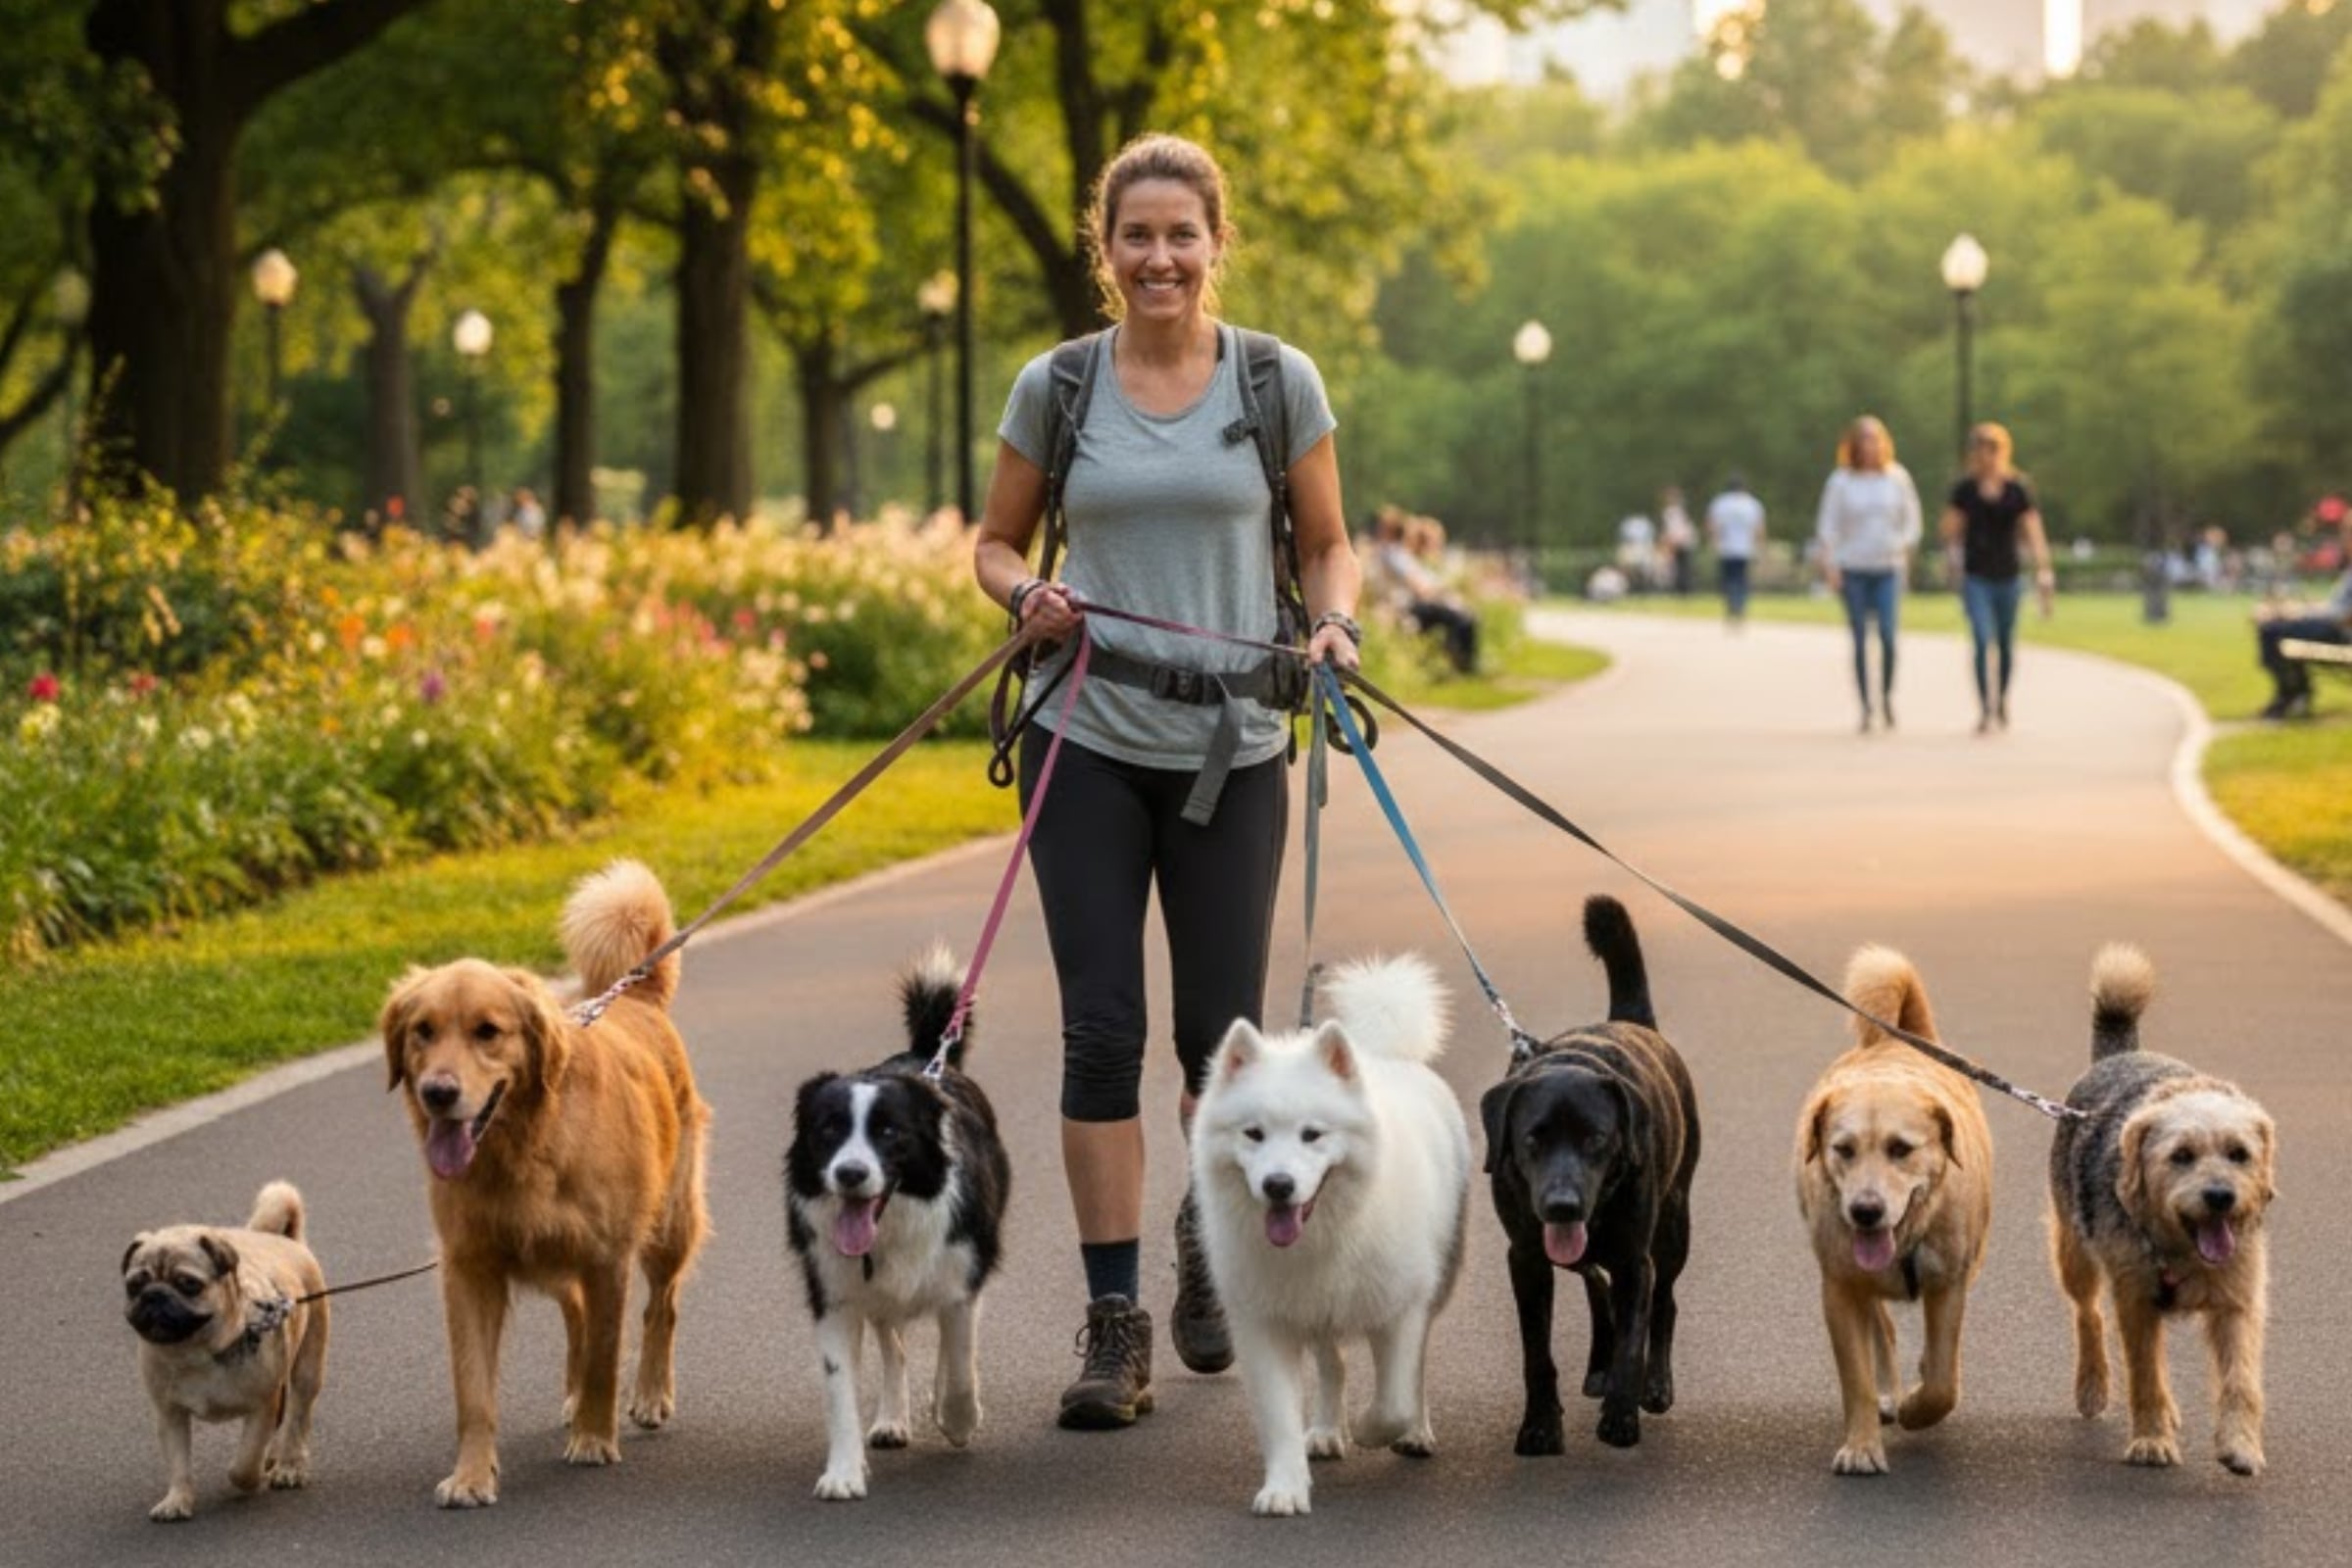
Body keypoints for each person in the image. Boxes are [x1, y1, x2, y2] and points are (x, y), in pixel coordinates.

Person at [970, 133, 1362, 1430]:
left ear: (1215, 243)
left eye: (1180, 234)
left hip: (1231, 750)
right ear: (1107, 249)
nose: (1159, 257)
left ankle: (1210, 1235)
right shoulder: (1059, 385)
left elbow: (1328, 541)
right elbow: (994, 541)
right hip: (1082, 733)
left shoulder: (1273, 380)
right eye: (1135, 235)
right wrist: (1024, 594)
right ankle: (1114, 1323)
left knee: (1219, 1039)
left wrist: (1334, 624)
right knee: (1100, 1032)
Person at [1936, 422, 2054, 733]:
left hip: (2008, 575)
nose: (1986, 457)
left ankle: (2000, 697)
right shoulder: (1965, 490)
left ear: (2002, 452)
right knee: (1980, 638)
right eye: (1981, 451)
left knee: (2004, 642)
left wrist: (2043, 569)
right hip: (1976, 576)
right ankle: (1985, 707)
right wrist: (1951, 556)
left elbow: (2033, 530)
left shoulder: (2017, 489)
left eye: (1992, 450)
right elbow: (1949, 530)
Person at [1815, 415, 1922, 732]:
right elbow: (1827, 526)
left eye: (1874, 439)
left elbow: (1912, 522)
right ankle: (1865, 706)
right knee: (1860, 638)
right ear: (1853, 445)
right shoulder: (1840, 481)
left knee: (1887, 635)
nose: (1870, 446)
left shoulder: (1897, 478)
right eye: (1863, 440)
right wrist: (1830, 566)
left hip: (1888, 567)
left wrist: (1902, 546)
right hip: (1853, 569)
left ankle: (1886, 695)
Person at [1371, 508, 1479, 673]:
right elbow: (1419, 587)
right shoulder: (1394, 554)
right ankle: (1463, 665)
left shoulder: (1396, 553)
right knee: (1462, 618)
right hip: (1408, 606)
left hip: (1413, 603)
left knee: (1461, 615)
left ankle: (1460, 663)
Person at [2253, 564, 2352, 719]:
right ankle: (2295, 692)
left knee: (2272, 631)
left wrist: (2303, 613)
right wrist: (2304, 609)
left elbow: (2345, 616)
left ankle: (2293, 693)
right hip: (2333, 626)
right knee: (2272, 627)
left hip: (2342, 634)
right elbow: (2337, 608)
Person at [1704, 471, 1766, 626]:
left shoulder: (1720, 503)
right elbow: (1759, 528)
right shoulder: (1752, 504)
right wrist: (1760, 546)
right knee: (1742, 578)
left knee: (1728, 578)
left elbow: (1712, 525)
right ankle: (1740, 605)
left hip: (1726, 548)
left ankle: (1731, 605)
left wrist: (1714, 542)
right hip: (1745, 548)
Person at [1659, 486, 1697, 597]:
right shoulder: (1672, 512)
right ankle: (1681, 589)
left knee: (1684, 566)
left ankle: (1685, 589)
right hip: (1677, 541)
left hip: (1681, 541)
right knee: (1679, 567)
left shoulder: (1676, 512)